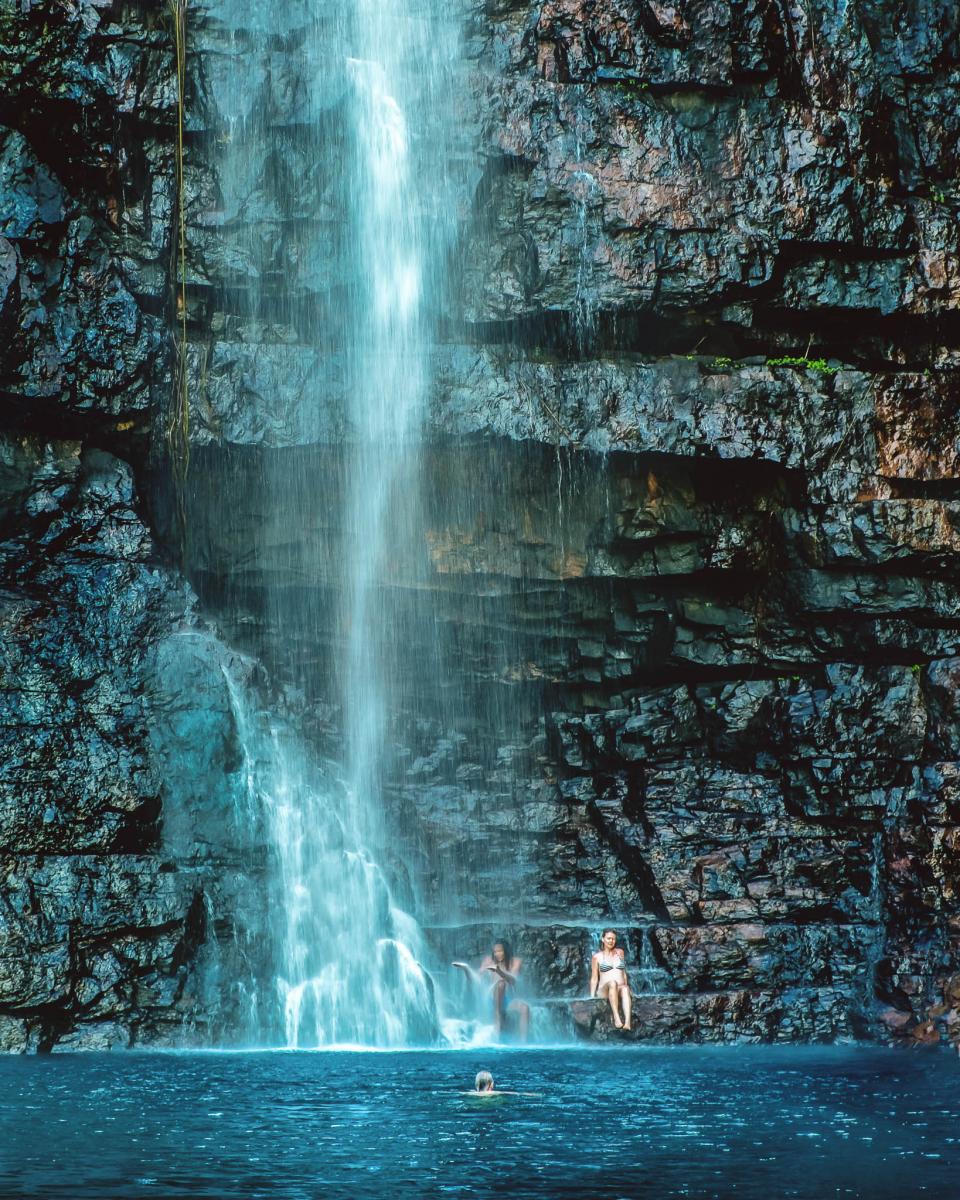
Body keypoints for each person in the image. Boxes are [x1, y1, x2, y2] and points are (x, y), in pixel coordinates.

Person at [452, 939, 530, 1041]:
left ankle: (523, 1042)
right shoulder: (489, 960)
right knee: (500, 985)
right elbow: (476, 980)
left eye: (500, 951)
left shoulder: (515, 961)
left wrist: (499, 971)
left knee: (525, 1008)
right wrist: (467, 969)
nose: (497, 954)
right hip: (490, 999)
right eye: (495, 952)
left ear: (506, 951)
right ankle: (497, 1036)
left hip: (508, 1000)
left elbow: (512, 981)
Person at [590, 928, 632, 1031]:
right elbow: (594, 978)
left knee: (625, 988)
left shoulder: (620, 953)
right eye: (608, 938)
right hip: (604, 990)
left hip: (618, 989)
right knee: (613, 983)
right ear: (603, 939)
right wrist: (591, 996)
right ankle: (616, 1018)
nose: (611, 941)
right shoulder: (597, 957)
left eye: (613, 939)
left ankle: (627, 1022)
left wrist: (626, 986)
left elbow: (624, 973)